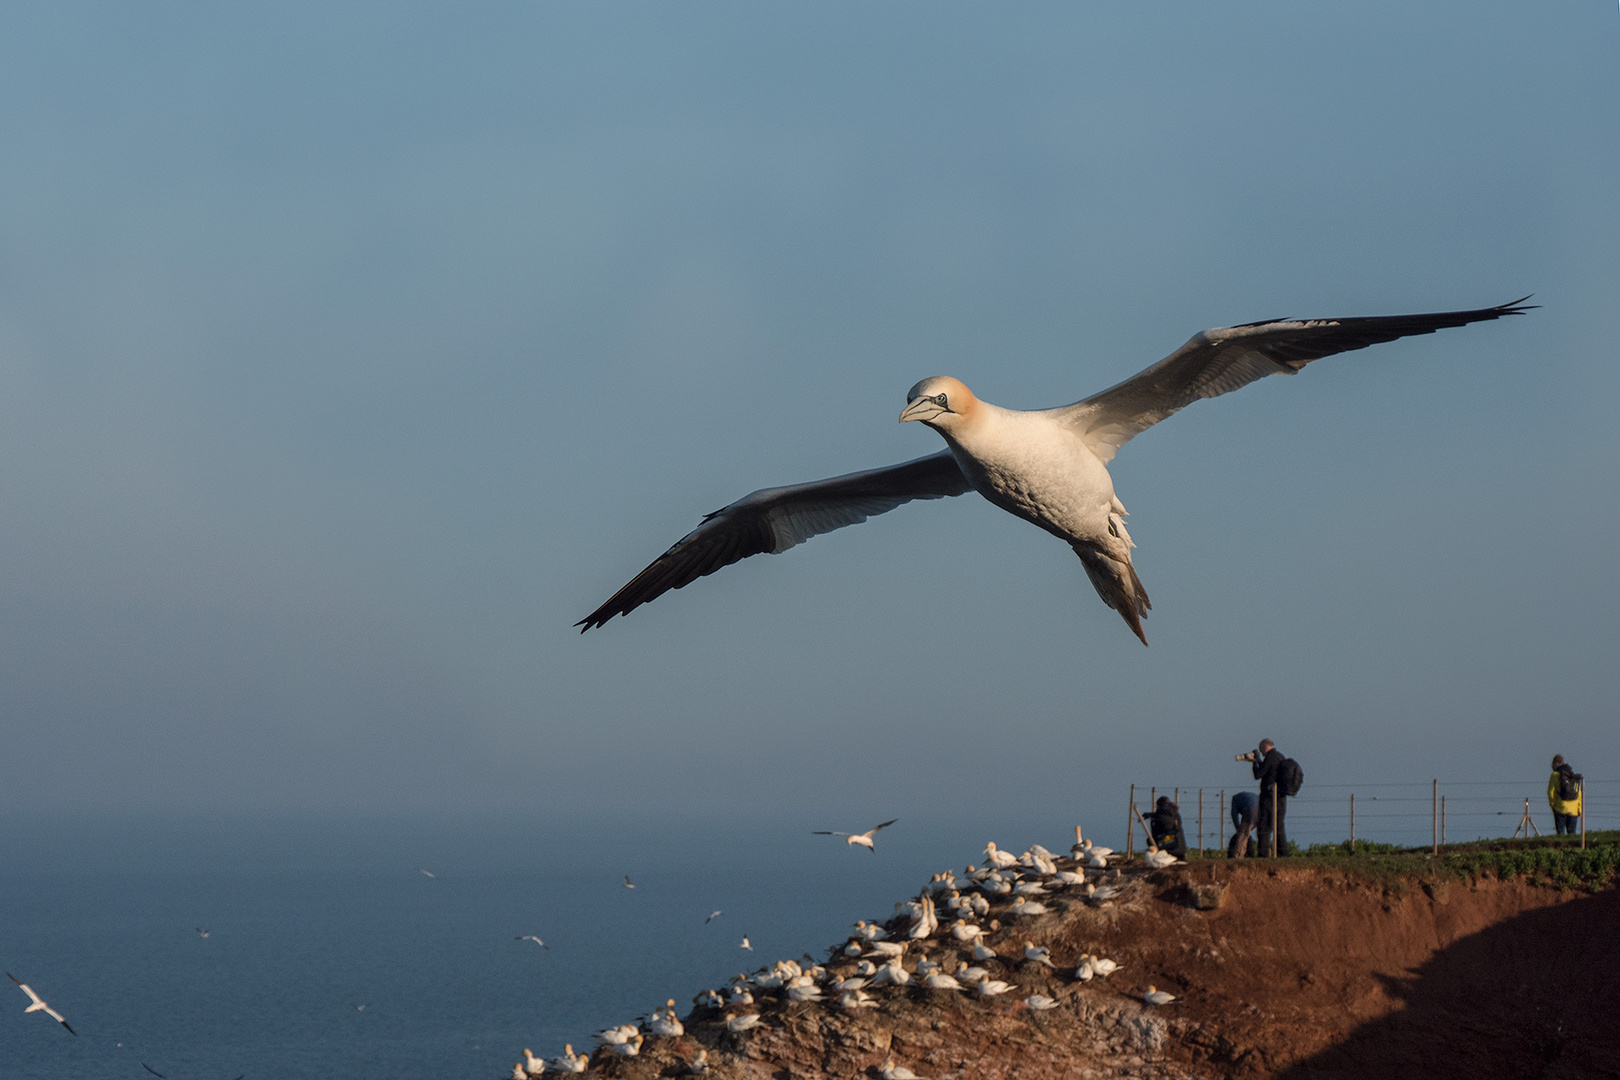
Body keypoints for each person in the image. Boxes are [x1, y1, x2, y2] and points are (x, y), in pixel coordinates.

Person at [1253, 739, 1290, 857]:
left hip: (1269, 797)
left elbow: (1258, 774)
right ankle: (1283, 853)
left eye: (1261, 750)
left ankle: (1263, 853)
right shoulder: (1280, 757)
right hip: (1281, 797)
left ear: (1265, 747)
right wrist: (1259, 760)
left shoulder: (1270, 757)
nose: (1262, 753)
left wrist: (1254, 762)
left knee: (1264, 826)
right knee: (1279, 826)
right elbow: (1267, 769)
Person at [1547, 754, 1583, 836]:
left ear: (1556, 763)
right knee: (1572, 834)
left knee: (1560, 834)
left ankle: (1561, 848)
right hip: (1573, 809)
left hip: (1560, 807)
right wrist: (1579, 809)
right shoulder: (1572, 775)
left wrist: (1553, 805)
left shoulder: (1555, 775)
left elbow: (1550, 792)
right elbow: (1579, 793)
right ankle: (1573, 848)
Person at [1228, 791, 1259, 859]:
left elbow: (1234, 815)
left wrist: (1238, 829)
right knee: (1262, 834)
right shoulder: (1248, 796)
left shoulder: (1235, 799)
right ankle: (1262, 854)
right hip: (1262, 808)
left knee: (1243, 834)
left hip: (1251, 810)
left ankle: (1238, 856)